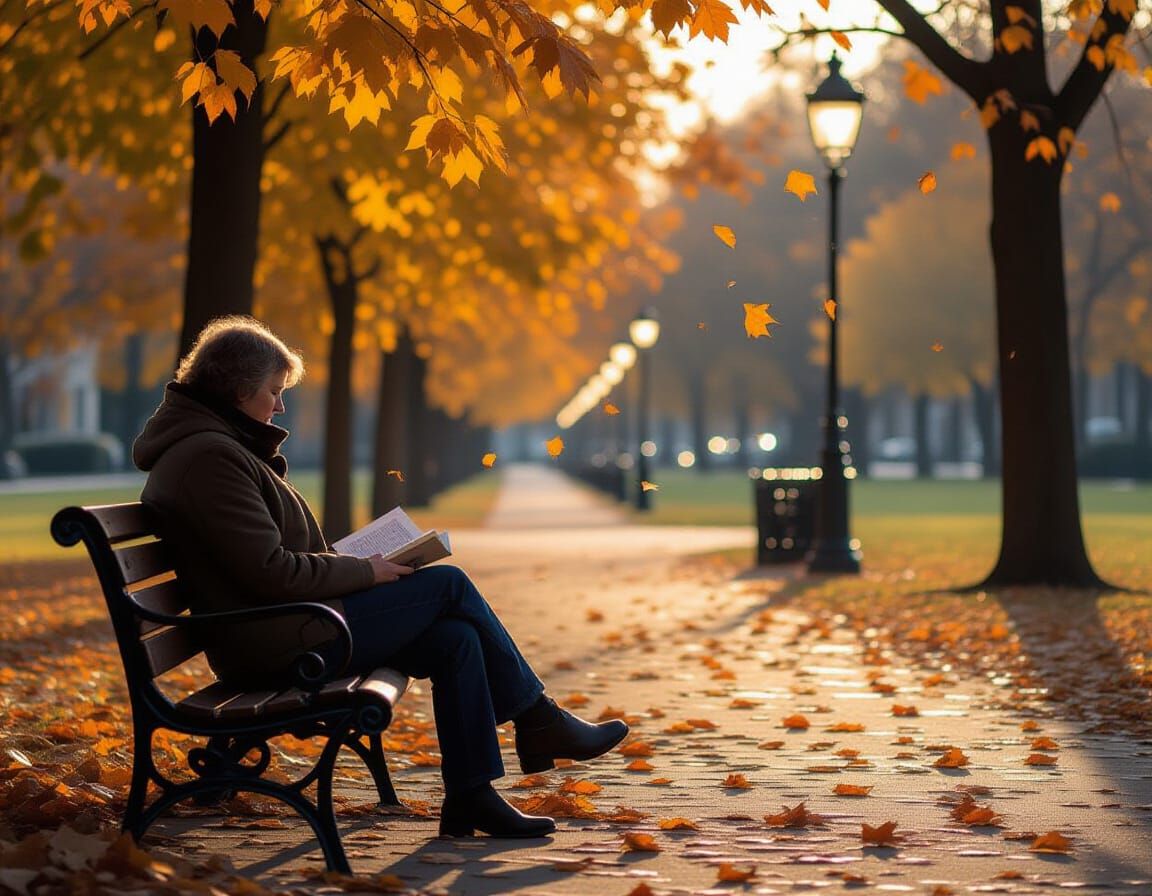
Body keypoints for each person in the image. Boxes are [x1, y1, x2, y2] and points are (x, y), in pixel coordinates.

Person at [132, 316, 628, 839]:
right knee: (448, 586)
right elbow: (271, 571)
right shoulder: (211, 457)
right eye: (273, 392)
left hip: (284, 624)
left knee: (454, 639)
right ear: (238, 390)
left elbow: (266, 563)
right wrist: (365, 570)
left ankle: (471, 795)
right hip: (274, 642)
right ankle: (538, 719)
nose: (279, 406)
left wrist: (359, 564)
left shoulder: (215, 448)